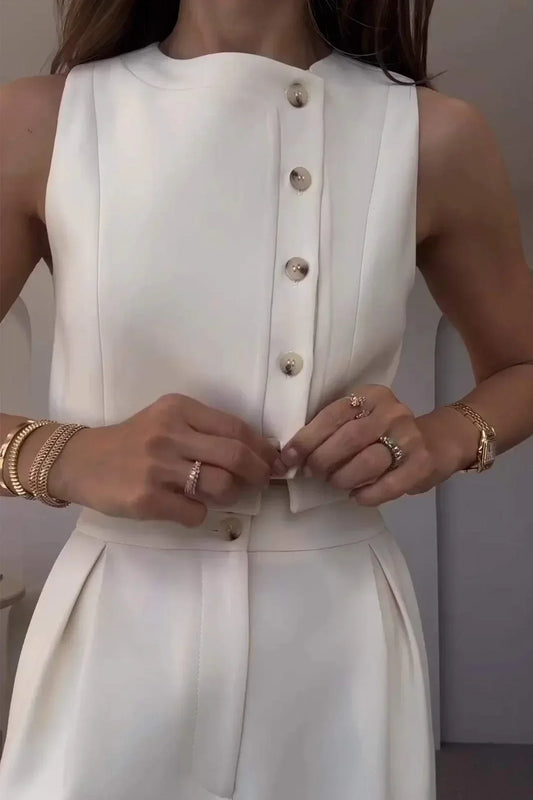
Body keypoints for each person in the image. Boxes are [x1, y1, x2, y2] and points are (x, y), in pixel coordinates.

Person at [0, 0, 532, 797]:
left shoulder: (431, 134)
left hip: (338, 640)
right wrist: (62, 455)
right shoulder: (44, 122)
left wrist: (447, 436)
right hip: (118, 632)